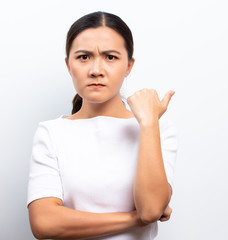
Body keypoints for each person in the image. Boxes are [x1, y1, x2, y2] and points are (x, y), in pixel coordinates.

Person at [26, 11, 178, 240]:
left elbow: (151, 207)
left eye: (110, 57)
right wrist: (135, 219)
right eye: (84, 57)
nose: (96, 70)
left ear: (129, 65)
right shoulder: (51, 133)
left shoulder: (158, 128)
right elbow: (44, 223)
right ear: (69, 65)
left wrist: (147, 123)